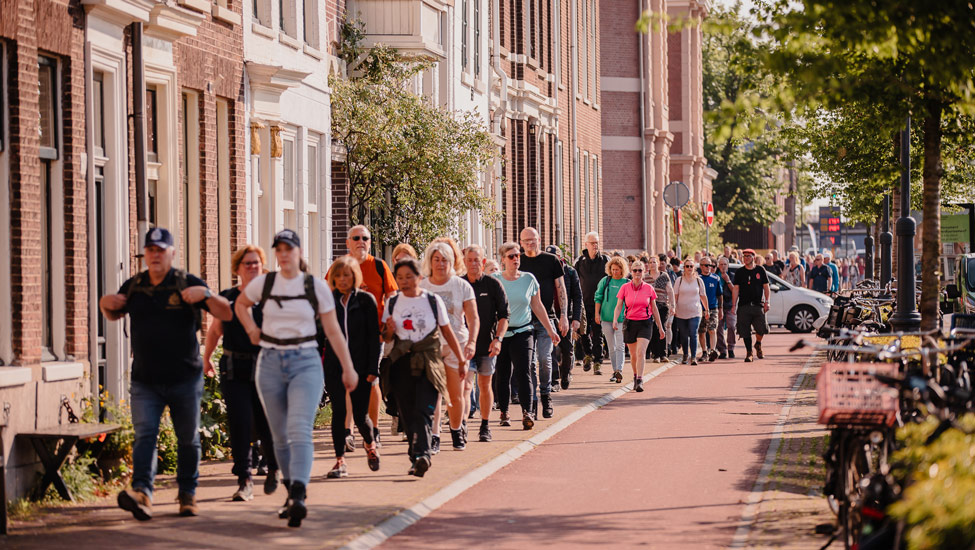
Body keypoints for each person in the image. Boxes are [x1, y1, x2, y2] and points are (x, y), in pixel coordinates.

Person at [102, 227, 232, 520]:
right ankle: (142, 493)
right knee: (145, 435)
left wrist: (207, 294)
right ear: (145, 254)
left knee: (187, 438)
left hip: (185, 378)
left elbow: (226, 313)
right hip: (145, 378)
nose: (156, 255)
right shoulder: (134, 285)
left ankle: (187, 494)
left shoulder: (185, 282)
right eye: (151, 250)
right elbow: (114, 312)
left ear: (172, 253)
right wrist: (105, 305)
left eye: (161, 250)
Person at [235, 229, 357, 527]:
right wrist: (252, 330)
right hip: (270, 361)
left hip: (305, 360)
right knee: (278, 435)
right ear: (275, 253)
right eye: (279, 248)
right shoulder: (265, 283)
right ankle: (291, 491)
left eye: (289, 248)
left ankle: (300, 492)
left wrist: (348, 367)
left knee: (299, 426)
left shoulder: (315, 286)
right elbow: (240, 304)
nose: (284, 253)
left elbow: (332, 331)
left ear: (299, 251)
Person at [203, 245, 278, 502]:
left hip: (266, 367)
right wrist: (206, 359)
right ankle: (244, 479)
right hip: (234, 366)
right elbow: (214, 332)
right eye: (247, 263)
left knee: (266, 420)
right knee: (240, 423)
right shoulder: (227, 298)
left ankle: (273, 467)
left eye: (257, 263)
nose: (253, 267)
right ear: (237, 269)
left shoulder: (270, 297)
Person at [382, 258, 464, 477]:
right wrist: (388, 330)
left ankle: (423, 455)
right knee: (407, 414)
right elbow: (386, 337)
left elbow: (447, 332)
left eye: (409, 277)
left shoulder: (432, 301)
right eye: (400, 278)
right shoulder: (392, 302)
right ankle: (415, 455)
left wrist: (461, 359)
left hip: (429, 361)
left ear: (419, 277)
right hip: (401, 363)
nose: (404, 281)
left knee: (425, 409)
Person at [339, 225, 397, 453]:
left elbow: (391, 295)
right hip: (345, 336)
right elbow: (328, 294)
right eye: (356, 238)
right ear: (348, 243)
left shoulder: (380, 266)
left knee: (371, 382)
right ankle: (348, 431)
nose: (361, 241)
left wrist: (389, 321)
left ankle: (373, 430)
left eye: (365, 238)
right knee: (346, 382)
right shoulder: (340, 267)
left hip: (375, 336)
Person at [323, 256, 382, 479]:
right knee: (338, 412)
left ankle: (370, 444)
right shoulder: (328, 302)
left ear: (354, 276)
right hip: (334, 367)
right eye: (338, 276)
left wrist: (372, 369)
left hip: (361, 367)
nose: (342, 279)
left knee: (359, 414)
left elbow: (373, 338)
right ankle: (340, 461)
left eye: (346, 275)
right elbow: (322, 335)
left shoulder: (366, 301)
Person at [493, 242, 560, 429]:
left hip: (523, 331)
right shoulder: (495, 279)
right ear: (503, 259)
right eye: (511, 256)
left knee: (524, 371)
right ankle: (504, 412)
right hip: (501, 333)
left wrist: (550, 329)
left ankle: (527, 412)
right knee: (503, 374)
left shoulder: (528, 279)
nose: (516, 259)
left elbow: (537, 306)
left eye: (518, 256)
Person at [419, 242, 478, 451]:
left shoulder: (461, 286)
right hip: (431, 347)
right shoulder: (423, 287)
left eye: (445, 260)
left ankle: (456, 428)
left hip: (457, 345)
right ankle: (434, 435)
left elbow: (473, 318)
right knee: (433, 393)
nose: (441, 264)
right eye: (436, 260)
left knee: (455, 395)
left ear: (451, 262)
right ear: (430, 262)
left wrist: (471, 342)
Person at [518, 227, 568, 419]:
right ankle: (531, 401)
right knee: (528, 363)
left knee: (545, 359)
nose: (530, 243)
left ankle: (546, 395)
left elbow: (560, 287)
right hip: (524, 320)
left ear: (539, 240)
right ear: (521, 243)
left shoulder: (551, 260)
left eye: (533, 239)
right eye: (526, 240)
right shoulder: (518, 261)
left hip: (547, 318)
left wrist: (564, 314)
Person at [462, 245, 509, 443]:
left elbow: (504, 315)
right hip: (464, 346)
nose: (473, 263)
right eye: (469, 259)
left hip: (487, 345)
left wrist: (498, 339)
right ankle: (461, 426)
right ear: (464, 262)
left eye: (477, 260)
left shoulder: (493, 285)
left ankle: (485, 425)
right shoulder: (460, 285)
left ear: (483, 262)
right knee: (465, 386)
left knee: (484, 384)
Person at [612, 260, 664, 390]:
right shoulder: (625, 288)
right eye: (635, 270)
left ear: (643, 272)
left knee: (641, 352)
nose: (637, 273)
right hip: (630, 323)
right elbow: (619, 306)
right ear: (631, 271)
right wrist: (614, 320)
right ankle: (635, 375)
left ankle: (640, 379)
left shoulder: (649, 288)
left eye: (640, 270)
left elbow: (654, 308)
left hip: (645, 323)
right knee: (633, 355)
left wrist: (660, 327)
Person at [574, 232, 610, 375]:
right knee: (583, 331)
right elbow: (575, 282)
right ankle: (588, 355)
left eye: (597, 243)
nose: (595, 246)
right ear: (586, 245)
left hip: (599, 304)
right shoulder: (580, 262)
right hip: (583, 303)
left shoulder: (605, 260)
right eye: (592, 243)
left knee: (597, 333)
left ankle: (598, 362)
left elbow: (610, 279)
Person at [548, 245, 583, 392]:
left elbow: (577, 296)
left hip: (566, 315)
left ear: (560, 258)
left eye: (555, 257)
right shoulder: (545, 272)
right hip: (549, 316)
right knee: (550, 349)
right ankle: (554, 379)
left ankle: (566, 373)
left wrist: (576, 318)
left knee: (567, 348)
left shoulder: (570, 272)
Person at [731, 248, 771, 363]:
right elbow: (736, 288)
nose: (746, 258)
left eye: (748, 256)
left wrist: (767, 301)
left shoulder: (760, 270)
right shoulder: (740, 272)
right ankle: (749, 353)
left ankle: (758, 344)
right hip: (744, 305)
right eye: (744, 256)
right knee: (745, 331)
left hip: (758, 305)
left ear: (753, 257)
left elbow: (766, 286)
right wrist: (734, 305)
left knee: (762, 328)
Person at [595, 256, 628, 379]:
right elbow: (598, 297)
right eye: (613, 269)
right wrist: (596, 314)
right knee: (611, 347)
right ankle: (615, 371)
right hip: (606, 318)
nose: (615, 272)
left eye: (617, 270)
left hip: (621, 319)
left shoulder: (626, 283)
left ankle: (619, 369)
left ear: (622, 270)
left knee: (620, 345)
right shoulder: (605, 281)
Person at [673, 259, 709, 365]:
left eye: (691, 266)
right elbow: (675, 295)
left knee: (693, 333)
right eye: (687, 266)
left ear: (694, 268)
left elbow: (703, 296)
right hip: (681, 312)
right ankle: (685, 354)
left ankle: (693, 357)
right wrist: (673, 307)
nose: (689, 268)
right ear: (684, 268)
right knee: (683, 335)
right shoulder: (679, 280)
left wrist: (706, 310)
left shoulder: (698, 280)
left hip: (695, 311)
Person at [647, 255, 674, 363]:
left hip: (662, 305)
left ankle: (663, 354)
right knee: (653, 328)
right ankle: (655, 354)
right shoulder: (645, 277)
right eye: (650, 262)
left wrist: (673, 305)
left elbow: (670, 291)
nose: (652, 264)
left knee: (661, 327)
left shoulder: (664, 276)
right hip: (649, 307)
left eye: (654, 262)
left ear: (658, 264)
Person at [696, 258, 723, 362]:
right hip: (700, 308)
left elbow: (719, 295)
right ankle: (704, 352)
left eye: (710, 265)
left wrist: (721, 309)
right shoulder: (698, 278)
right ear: (701, 266)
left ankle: (712, 351)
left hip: (713, 308)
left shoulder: (715, 278)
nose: (709, 268)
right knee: (702, 331)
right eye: (706, 265)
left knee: (712, 329)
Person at [715, 256, 737, 359]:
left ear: (728, 266)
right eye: (721, 264)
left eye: (725, 264)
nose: (723, 266)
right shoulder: (715, 276)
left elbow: (735, 291)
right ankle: (722, 350)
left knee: (731, 326)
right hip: (718, 306)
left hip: (729, 305)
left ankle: (731, 348)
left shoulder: (732, 276)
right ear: (718, 266)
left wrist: (728, 280)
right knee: (718, 328)